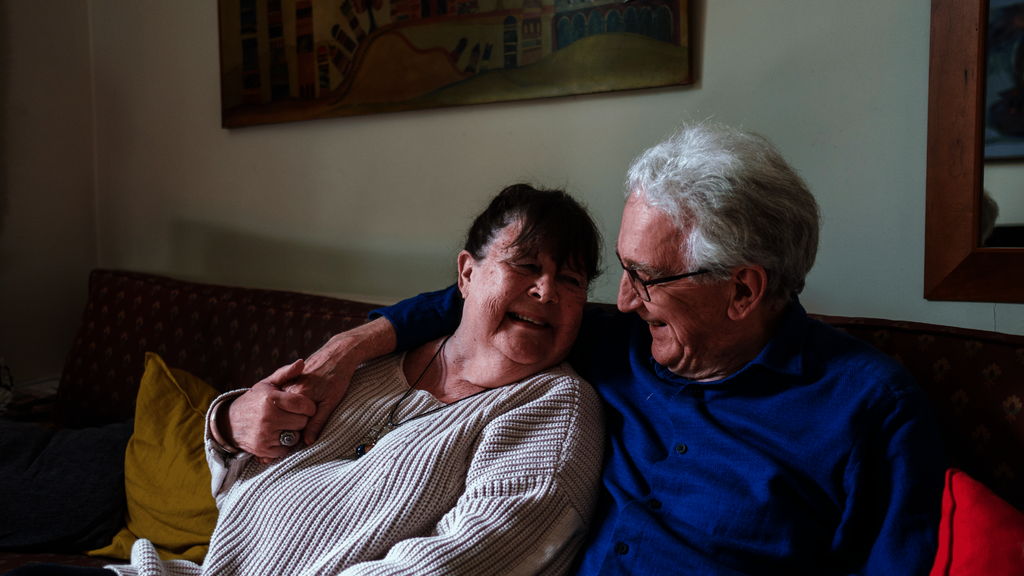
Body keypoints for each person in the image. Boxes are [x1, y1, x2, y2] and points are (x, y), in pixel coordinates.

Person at [246, 122, 949, 575]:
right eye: (623, 271)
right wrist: (352, 344)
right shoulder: (623, 341)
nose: (626, 301)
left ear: (743, 291)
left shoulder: (873, 410)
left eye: (646, 278)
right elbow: (482, 300)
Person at [4, 185, 605, 576]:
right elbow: (244, 472)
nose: (546, 290)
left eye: (571, 280)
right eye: (525, 265)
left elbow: (463, 561)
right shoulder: (364, 361)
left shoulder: (553, 407)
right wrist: (228, 424)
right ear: (466, 276)